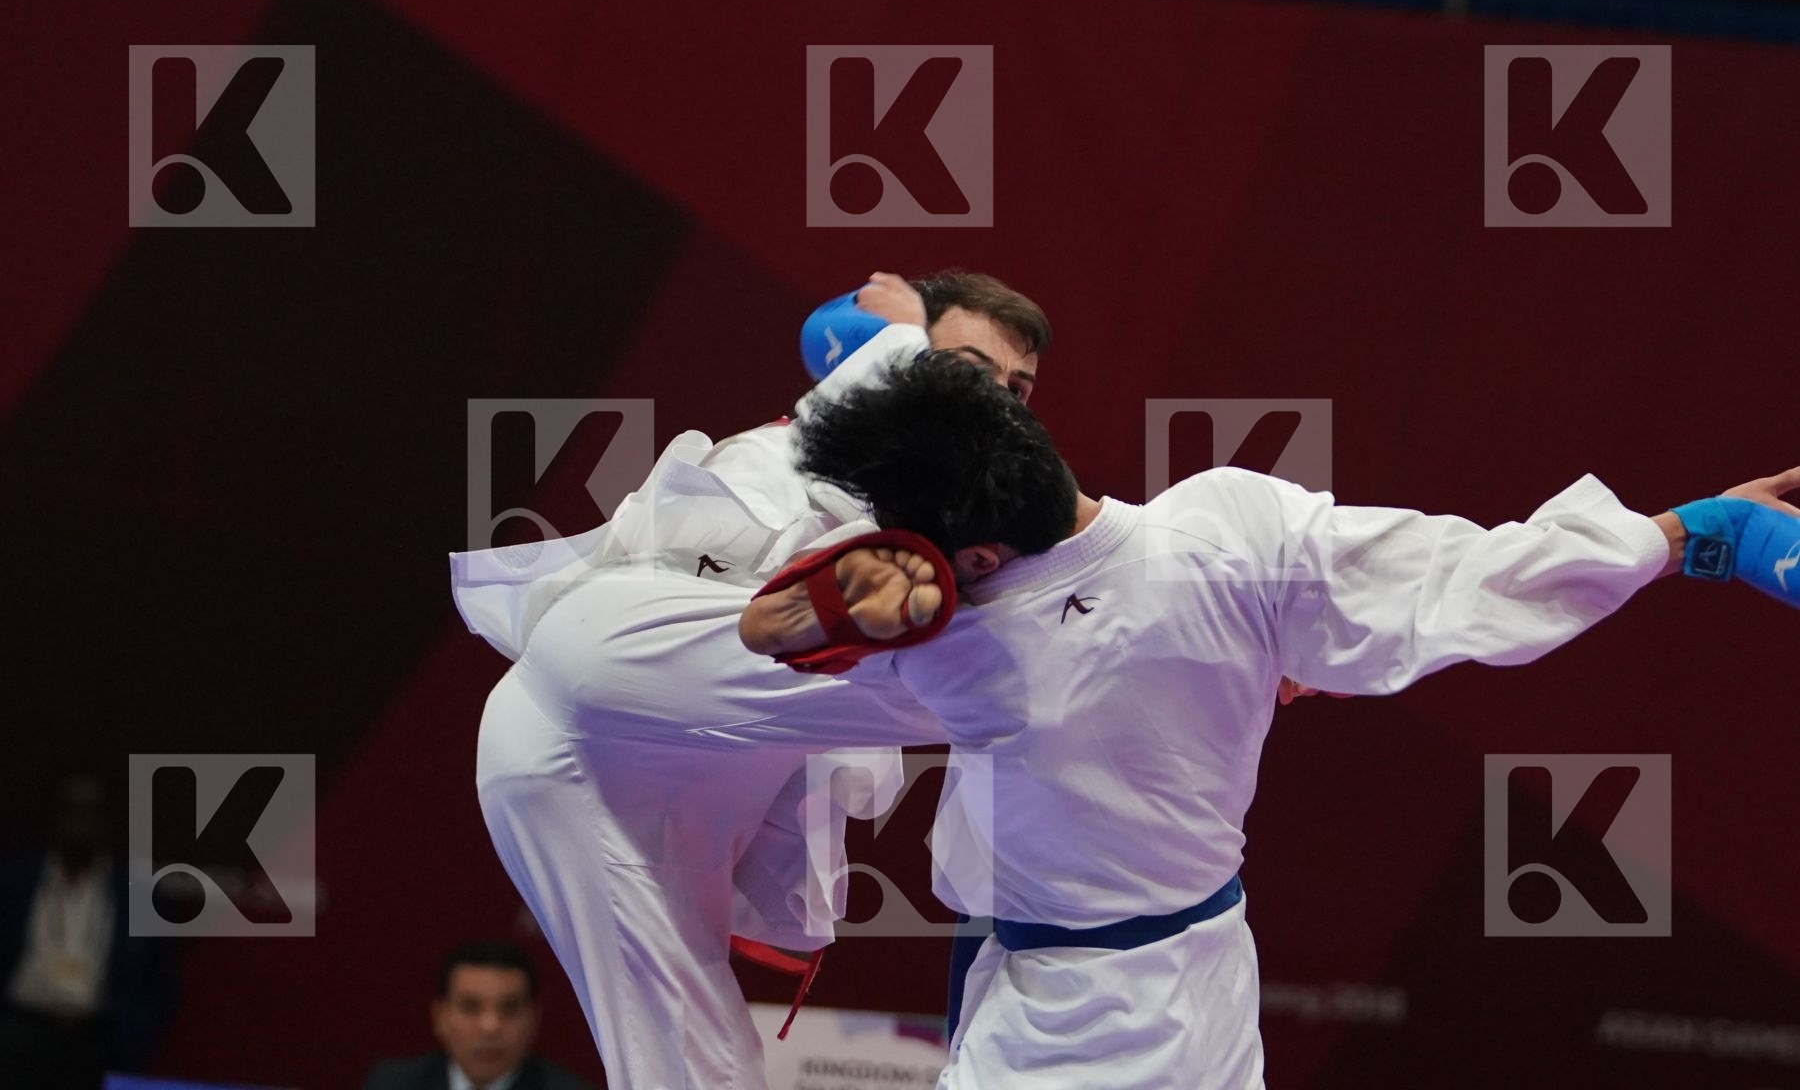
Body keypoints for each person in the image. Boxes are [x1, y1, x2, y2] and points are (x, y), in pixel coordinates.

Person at [739, 353, 1800, 1089]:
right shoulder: (1231, 526)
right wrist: (1696, 533)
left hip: (1065, 1032)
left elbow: (749, 639)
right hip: (1204, 971)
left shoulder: (947, 641)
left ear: (971, 555)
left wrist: (840, 602)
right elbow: (1470, 580)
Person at [457, 272, 1050, 1090]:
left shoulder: (970, 506)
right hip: (608, 675)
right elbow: (882, 421)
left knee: (698, 1067)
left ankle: (846, 620)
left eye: (1018, 387)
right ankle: (821, 616)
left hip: (635, 783)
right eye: (972, 369)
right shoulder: (806, 443)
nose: (1000, 399)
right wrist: (899, 333)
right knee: (1016, 674)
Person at [0, 773, 179, 1089]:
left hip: (96, 1040)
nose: (79, 822)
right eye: (70, 809)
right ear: (53, 816)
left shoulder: (138, 894)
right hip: (19, 1031)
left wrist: (138, 1030)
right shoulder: (13, 882)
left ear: (108, 821)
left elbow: (159, 977)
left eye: (91, 811)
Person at [362, 940, 597, 1090]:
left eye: (510, 1008)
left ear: (533, 1019)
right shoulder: (393, 1084)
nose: (490, 1026)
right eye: (470, 1007)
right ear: (440, 1016)